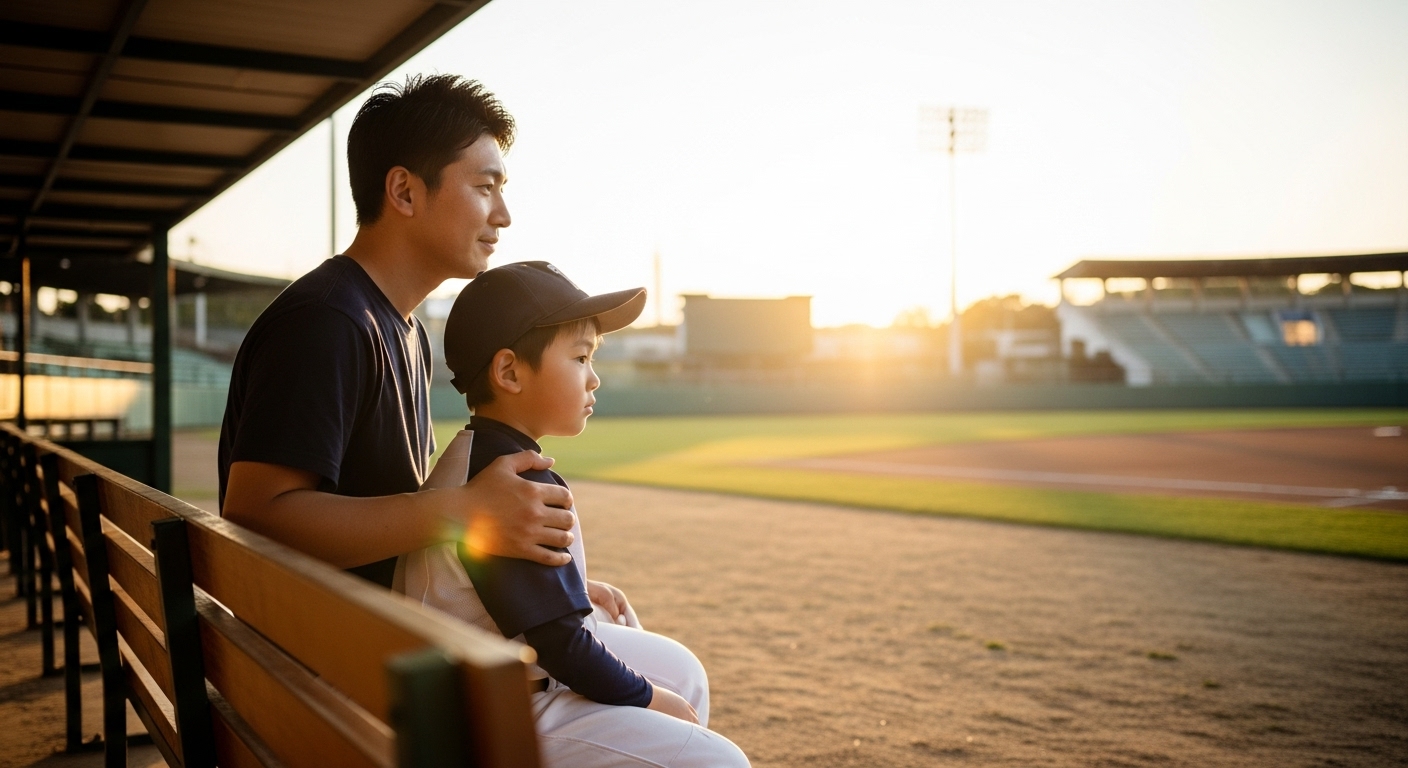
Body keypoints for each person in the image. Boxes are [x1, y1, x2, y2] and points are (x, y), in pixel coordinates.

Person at [218, 75, 577, 585]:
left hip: (373, 626)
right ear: (404, 191)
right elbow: (258, 518)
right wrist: (462, 511)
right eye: (484, 187)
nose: (504, 215)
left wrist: (547, 594)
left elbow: (403, 529)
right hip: (329, 649)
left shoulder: (400, 328)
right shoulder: (326, 322)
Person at [398, 261, 749, 767]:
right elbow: (559, 643)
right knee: (719, 759)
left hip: (484, 678)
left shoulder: (483, 453)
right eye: (581, 358)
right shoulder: (513, 485)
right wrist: (652, 699)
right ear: (510, 372)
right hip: (501, 709)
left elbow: (499, 594)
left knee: (682, 670)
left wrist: (573, 590)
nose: (595, 378)